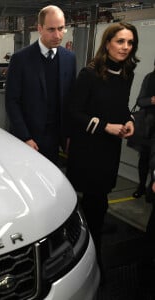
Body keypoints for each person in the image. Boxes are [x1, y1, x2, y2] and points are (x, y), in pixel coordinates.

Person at [66, 22, 139, 273]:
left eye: (130, 42)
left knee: (101, 198)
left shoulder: (127, 73)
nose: (126, 47)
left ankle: (91, 240)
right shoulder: (90, 73)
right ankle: (91, 263)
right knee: (93, 203)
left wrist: (129, 120)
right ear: (107, 43)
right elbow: (73, 112)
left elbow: (122, 105)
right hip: (89, 147)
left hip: (110, 147)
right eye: (120, 41)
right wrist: (105, 126)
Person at [5, 5, 76, 165]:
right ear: (39, 28)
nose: (57, 35)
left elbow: (70, 99)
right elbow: (12, 101)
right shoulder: (21, 59)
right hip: (28, 138)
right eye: (51, 29)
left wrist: (69, 135)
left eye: (61, 28)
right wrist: (25, 137)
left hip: (56, 138)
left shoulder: (69, 58)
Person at [132, 60, 155, 199]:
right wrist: (152, 100)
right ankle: (141, 186)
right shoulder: (149, 78)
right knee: (145, 158)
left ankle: (150, 190)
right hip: (149, 126)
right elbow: (140, 101)